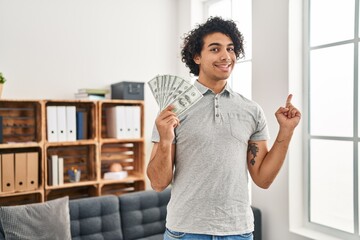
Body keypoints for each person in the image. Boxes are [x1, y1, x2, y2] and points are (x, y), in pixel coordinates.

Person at [147, 16, 301, 240]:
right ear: (197, 56)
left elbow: (263, 179)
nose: (225, 56)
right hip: (186, 231)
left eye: (230, 49)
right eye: (215, 49)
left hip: (239, 231)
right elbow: (158, 183)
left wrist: (286, 132)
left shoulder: (251, 110)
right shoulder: (173, 109)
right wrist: (164, 140)